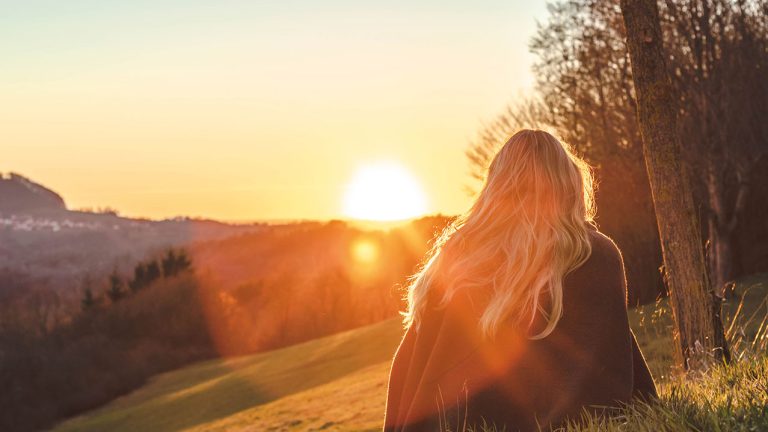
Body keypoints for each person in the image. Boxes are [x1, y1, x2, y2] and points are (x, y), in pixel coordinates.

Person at [383, 129, 656, 432]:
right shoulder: (592, 254)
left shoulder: (454, 259)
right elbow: (607, 371)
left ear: (494, 187)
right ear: (569, 184)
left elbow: (407, 372)